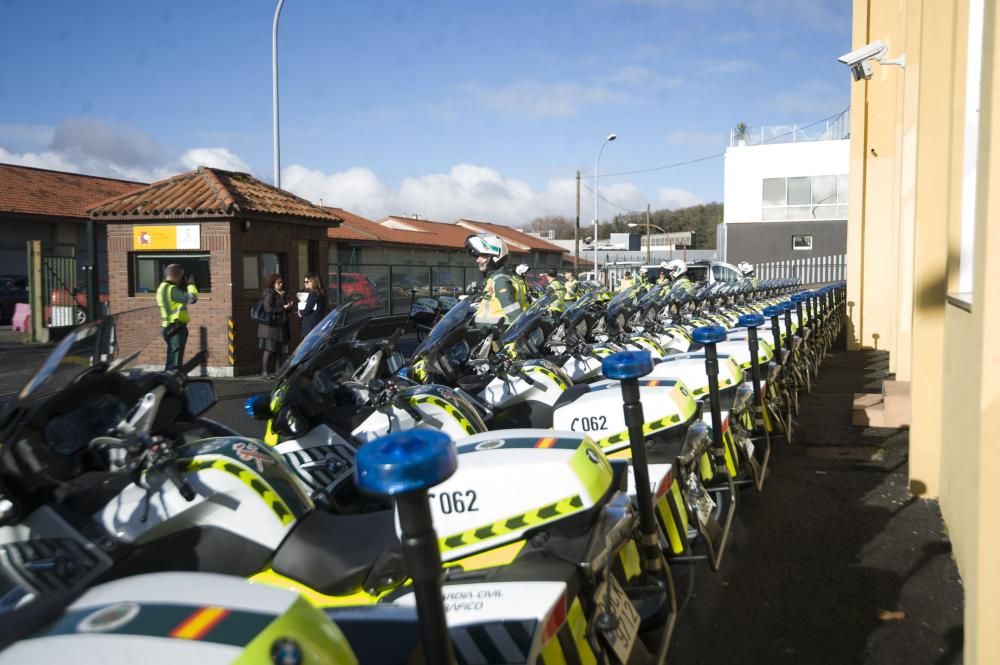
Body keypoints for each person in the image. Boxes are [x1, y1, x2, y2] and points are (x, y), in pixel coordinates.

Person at [465, 233, 524, 327]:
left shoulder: (500, 281)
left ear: (495, 257)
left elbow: (515, 317)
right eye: (477, 256)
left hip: (498, 337)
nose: (478, 260)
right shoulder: (493, 279)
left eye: (482, 256)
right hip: (487, 335)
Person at [156, 263, 198, 371]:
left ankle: (171, 382)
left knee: (172, 360)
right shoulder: (171, 289)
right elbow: (192, 299)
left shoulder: (163, 288)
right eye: (182, 276)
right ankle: (171, 384)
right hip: (175, 328)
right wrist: (191, 284)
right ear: (178, 275)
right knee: (174, 364)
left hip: (170, 327)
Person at [258, 273, 295, 378]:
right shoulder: (270, 294)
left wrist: (289, 307)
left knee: (278, 350)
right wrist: (283, 307)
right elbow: (268, 308)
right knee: (269, 349)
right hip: (270, 328)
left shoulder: (280, 294)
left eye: (281, 282)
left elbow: (282, 309)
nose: (281, 284)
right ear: (272, 283)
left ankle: (279, 372)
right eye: (278, 282)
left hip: (279, 326)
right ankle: (265, 372)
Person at [298, 272, 327, 338]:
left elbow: (307, 310)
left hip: (310, 325)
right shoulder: (321, 293)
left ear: (313, 282)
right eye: (304, 281)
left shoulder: (313, 294)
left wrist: (300, 312)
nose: (305, 283)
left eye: (307, 281)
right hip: (319, 323)